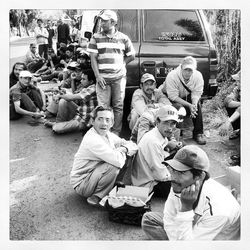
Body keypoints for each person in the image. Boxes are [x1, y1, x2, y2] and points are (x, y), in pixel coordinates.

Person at [141, 145, 240, 240]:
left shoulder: (219, 210)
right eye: (172, 170)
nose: (173, 177)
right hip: (188, 225)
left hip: (215, 237)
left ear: (200, 176)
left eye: (181, 172)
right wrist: (175, 239)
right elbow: (169, 219)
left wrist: (186, 208)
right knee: (148, 219)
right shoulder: (180, 184)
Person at [70, 106, 138, 207]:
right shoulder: (92, 139)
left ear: (112, 123)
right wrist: (124, 150)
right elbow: (118, 161)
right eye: (100, 119)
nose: (104, 123)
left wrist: (125, 149)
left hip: (94, 173)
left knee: (126, 152)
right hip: (82, 183)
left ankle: (114, 184)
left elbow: (131, 144)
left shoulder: (107, 134)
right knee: (114, 165)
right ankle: (98, 195)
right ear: (93, 121)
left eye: (107, 120)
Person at [88, 9, 135, 135]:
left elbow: (132, 55)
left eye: (104, 21)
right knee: (103, 108)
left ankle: (115, 134)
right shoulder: (95, 38)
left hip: (119, 79)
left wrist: (122, 64)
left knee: (118, 107)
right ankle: (103, 134)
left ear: (113, 22)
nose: (102, 23)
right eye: (101, 20)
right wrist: (98, 76)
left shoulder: (123, 38)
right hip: (103, 79)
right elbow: (93, 58)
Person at [131, 105, 181, 197]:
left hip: (154, 174)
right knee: (187, 185)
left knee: (183, 153)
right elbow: (160, 175)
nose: (170, 127)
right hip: (151, 183)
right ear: (157, 121)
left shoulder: (159, 134)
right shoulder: (153, 141)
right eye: (166, 123)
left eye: (173, 123)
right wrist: (180, 178)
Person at [161, 56, 206, 145]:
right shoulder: (172, 75)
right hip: (170, 97)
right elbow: (173, 96)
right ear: (181, 67)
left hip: (186, 96)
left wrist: (193, 105)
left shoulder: (198, 76)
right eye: (186, 69)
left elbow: (196, 93)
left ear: (194, 70)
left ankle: (198, 133)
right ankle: (179, 135)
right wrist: (189, 105)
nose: (188, 73)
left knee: (197, 105)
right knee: (179, 107)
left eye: (190, 70)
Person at [44, 69, 98, 134]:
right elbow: (73, 94)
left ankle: (58, 125)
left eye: (83, 79)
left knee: (56, 129)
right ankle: (59, 123)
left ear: (91, 81)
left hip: (84, 121)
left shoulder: (93, 89)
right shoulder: (86, 88)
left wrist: (59, 96)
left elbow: (71, 97)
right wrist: (62, 94)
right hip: (79, 114)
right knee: (64, 101)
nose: (81, 81)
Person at [219, 71, 240, 139]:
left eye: (239, 81)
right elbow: (227, 101)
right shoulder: (237, 89)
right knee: (230, 106)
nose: (236, 83)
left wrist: (228, 121)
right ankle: (238, 129)